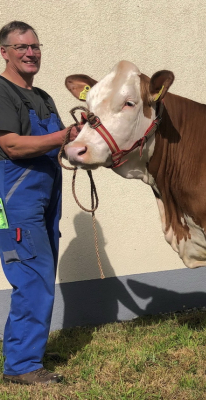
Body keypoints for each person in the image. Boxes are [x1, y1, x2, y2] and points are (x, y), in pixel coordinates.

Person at [0, 21, 79, 385]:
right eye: (21, 47)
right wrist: (63, 135)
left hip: (46, 197)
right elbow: (12, 145)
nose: (31, 53)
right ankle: (21, 367)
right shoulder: (2, 92)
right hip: (15, 201)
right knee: (31, 278)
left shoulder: (44, 96)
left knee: (42, 276)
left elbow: (58, 144)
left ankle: (31, 354)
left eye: (35, 46)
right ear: (5, 52)